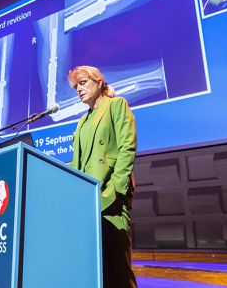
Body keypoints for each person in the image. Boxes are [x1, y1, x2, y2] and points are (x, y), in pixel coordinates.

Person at [68, 66, 137, 288]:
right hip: (88, 202)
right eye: (76, 87)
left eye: (83, 83)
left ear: (98, 82)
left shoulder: (116, 105)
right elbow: (77, 164)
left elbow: (127, 148)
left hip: (111, 199)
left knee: (118, 271)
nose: (79, 89)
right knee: (96, 274)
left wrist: (115, 190)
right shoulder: (82, 121)